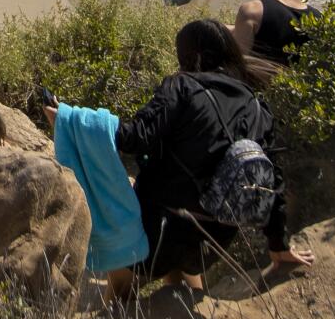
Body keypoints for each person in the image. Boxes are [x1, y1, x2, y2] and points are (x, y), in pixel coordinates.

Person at [97, 21, 310, 299]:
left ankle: (117, 316)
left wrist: (73, 120)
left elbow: (133, 138)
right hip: (214, 243)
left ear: (191, 56)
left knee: (120, 289)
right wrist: (278, 245)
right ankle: (186, 303)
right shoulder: (257, 107)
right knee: (184, 271)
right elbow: (272, 181)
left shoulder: (182, 86)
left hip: (157, 234)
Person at [234, 0, 318, 80]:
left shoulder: (253, 11)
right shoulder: (321, 21)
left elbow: (236, 69)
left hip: (258, 97)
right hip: (300, 98)